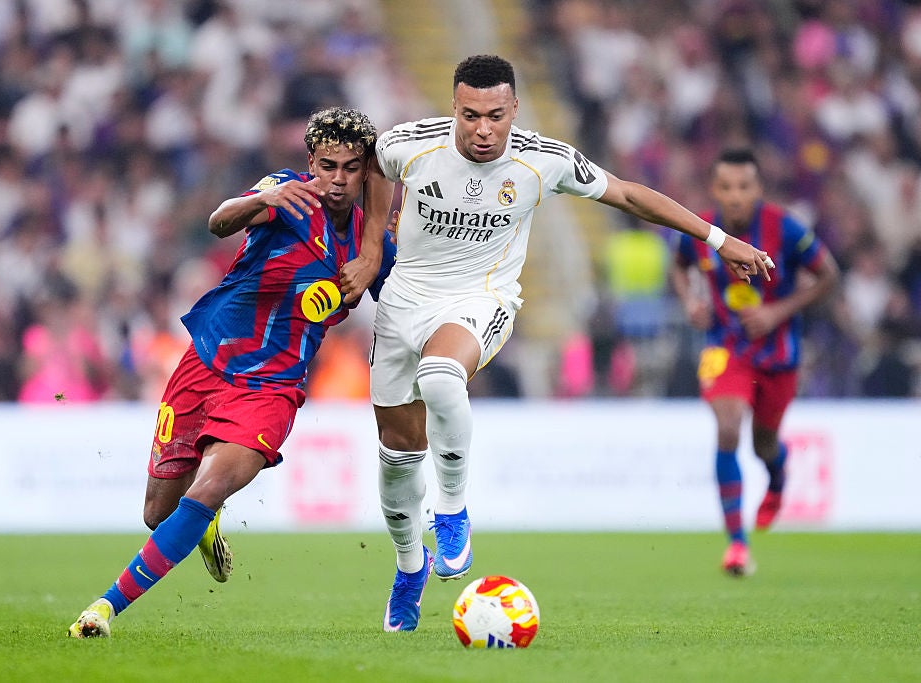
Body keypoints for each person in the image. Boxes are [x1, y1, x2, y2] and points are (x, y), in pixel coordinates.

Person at [348, 54, 775, 632]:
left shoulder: (542, 158)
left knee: (442, 375)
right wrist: (373, 247)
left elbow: (625, 194)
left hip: (482, 298)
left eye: (495, 115)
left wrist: (718, 238)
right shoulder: (411, 143)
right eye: (469, 115)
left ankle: (452, 510)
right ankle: (408, 566)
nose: (481, 129)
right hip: (403, 304)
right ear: (453, 107)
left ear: (514, 109)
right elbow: (373, 167)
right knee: (397, 462)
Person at [67, 106, 395, 638]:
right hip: (207, 362)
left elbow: (405, 304)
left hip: (272, 387)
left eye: (351, 168)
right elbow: (220, 221)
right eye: (328, 165)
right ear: (311, 162)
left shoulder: (371, 245)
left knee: (207, 490)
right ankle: (205, 524)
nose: (337, 180)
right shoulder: (289, 193)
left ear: (365, 172)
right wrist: (259, 200)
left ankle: (102, 610)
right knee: (158, 513)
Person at [671, 148, 838, 577]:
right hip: (723, 347)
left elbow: (828, 275)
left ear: (758, 189)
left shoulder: (785, 229)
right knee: (728, 429)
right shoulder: (702, 230)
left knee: (765, 444)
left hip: (779, 355)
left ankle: (778, 477)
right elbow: (678, 262)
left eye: (744, 187)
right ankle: (737, 545)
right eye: (726, 187)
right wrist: (691, 299)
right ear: (714, 189)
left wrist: (777, 312)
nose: (735, 197)